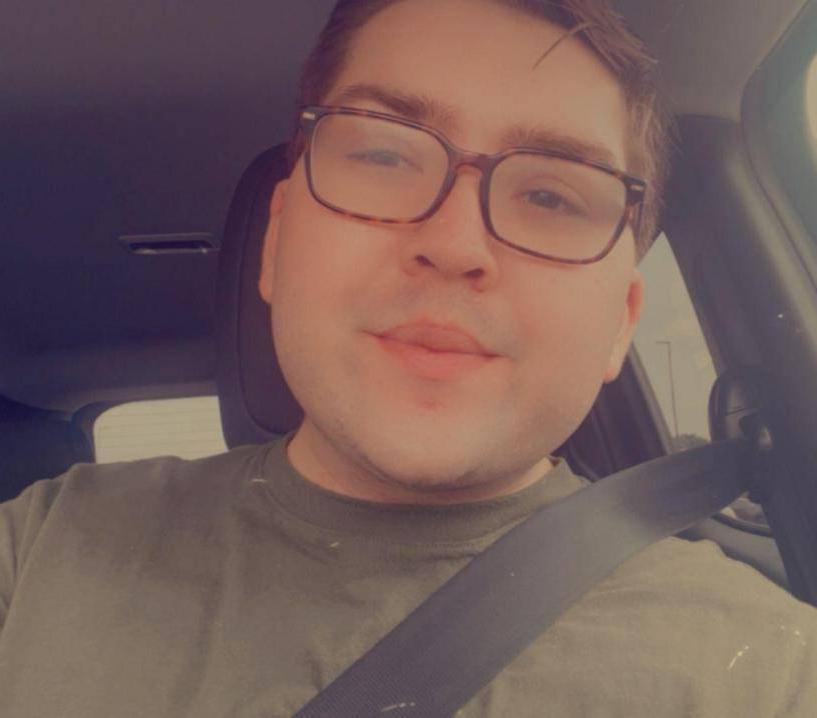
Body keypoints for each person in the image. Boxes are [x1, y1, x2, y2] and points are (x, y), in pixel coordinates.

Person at [1, 0, 815, 715]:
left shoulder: (776, 673)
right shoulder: (37, 550)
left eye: (550, 194)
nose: (456, 244)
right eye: (386, 156)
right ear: (278, 241)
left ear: (619, 324)